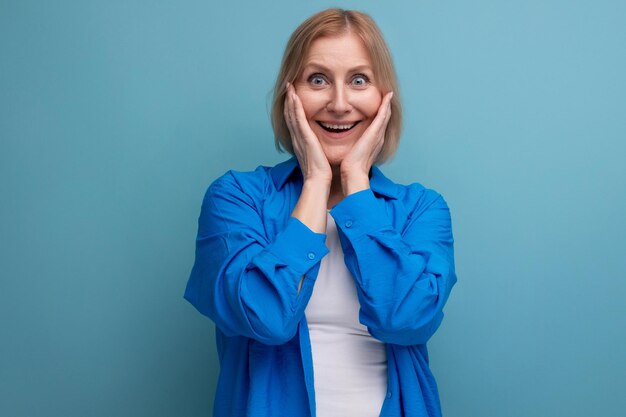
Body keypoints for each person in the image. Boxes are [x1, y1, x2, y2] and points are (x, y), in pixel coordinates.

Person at [184, 8, 457, 417]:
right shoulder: (237, 199)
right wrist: (314, 181)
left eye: (359, 80)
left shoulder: (421, 210)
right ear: (289, 93)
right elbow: (267, 318)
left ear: (385, 99)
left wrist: (356, 185)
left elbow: (404, 318)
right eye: (318, 80)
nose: (339, 103)